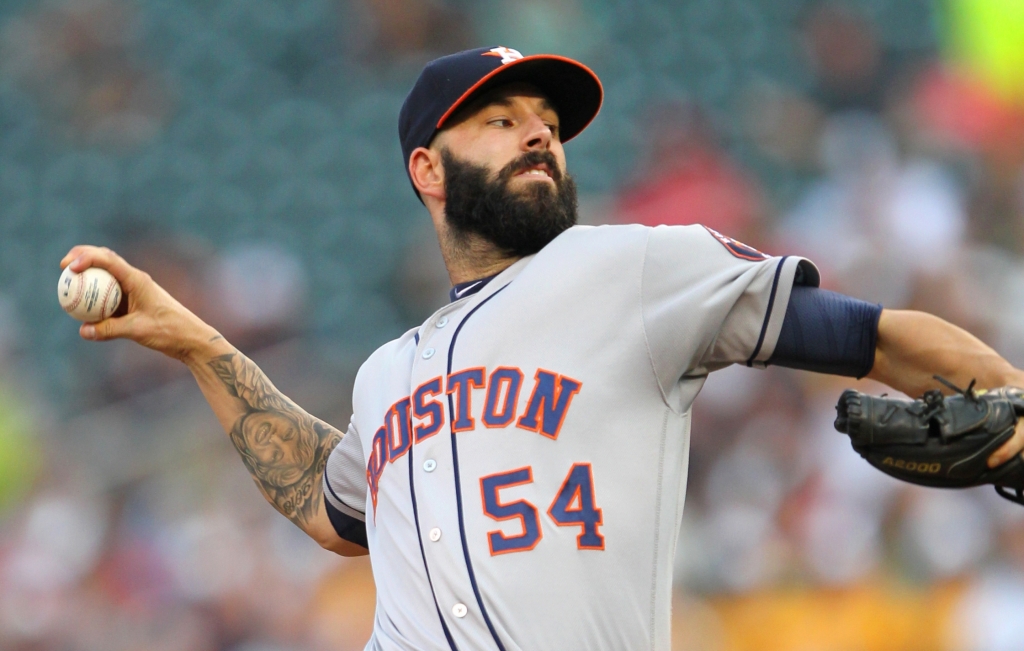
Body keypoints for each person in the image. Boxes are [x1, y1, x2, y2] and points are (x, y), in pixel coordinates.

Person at [61, 46, 1024, 651]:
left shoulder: (636, 272)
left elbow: (868, 335)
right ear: (427, 169)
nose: (538, 135)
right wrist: (192, 342)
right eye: (501, 119)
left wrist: (1014, 396)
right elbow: (329, 505)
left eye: (549, 125)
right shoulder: (385, 372)